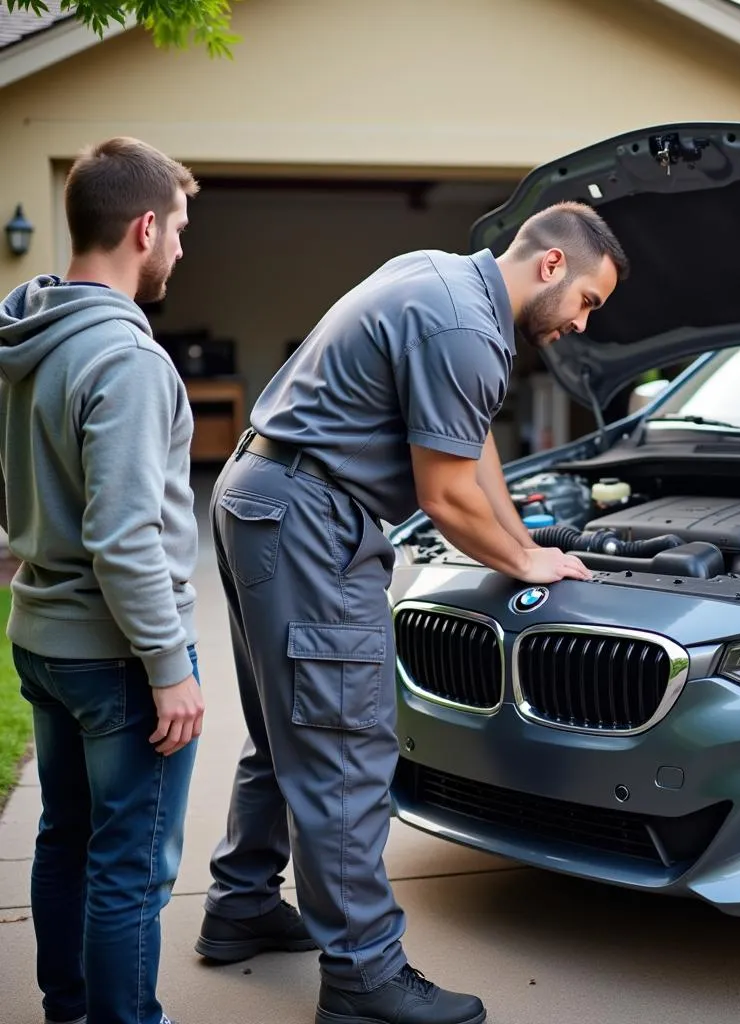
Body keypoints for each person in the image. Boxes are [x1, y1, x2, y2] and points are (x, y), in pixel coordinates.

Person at [195, 200, 629, 1024]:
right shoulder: (465, 330)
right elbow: (443, 495)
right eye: (586, 301)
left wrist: (525, 538)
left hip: (261, 497)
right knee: (347, 746)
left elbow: (472, 448)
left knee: (287, 728)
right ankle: (364, 978)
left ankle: (241, 904)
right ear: (550, 267)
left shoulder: (439, 281)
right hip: (310, 520)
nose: (580, 324)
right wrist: (521, 562)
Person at [0, 137, 205, 1024]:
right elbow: (125, 540)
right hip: (118, 655)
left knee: (67, 840)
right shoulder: (126, 358)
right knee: (129, 865)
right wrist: (171, 667)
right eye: (182, 230)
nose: (182, 251)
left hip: (44, 636)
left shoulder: (27, 337)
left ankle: (69, 1010)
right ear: (144, 227)